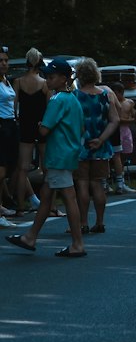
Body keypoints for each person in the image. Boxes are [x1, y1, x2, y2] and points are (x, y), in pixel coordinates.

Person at [6, 58, 87, 257]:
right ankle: (30, 236)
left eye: (50, 77)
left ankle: (77, 243)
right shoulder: (73, 99)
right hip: (68, 152)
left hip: (58, 154)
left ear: (63, 79)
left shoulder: (57, 100)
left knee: (68, 197)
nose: (47, 80)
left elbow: (43, 131)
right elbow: (81, 127)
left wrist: (40, 124)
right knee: (47, 195)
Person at [73, 58, 120, 235]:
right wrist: (101, 139)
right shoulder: (105, 95)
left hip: (81, 147)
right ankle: (100, 222)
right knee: (98, 185)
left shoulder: (76, 96)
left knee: (82, 185)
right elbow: (115, 120)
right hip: (101, 147)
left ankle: (83, 222)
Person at [12, 47, 47, 216]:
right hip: (41, 127)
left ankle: (20, 206)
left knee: (23, 168)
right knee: (47, 168)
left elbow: (14, 106)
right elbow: (50, 108)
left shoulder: (18, 82)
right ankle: (50, 205)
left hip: (25, 126)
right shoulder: (45, 84)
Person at [0, 44, 18, 226]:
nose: (4, 63)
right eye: (0, 61)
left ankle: (3, 204)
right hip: (2, 124)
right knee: (1, 169)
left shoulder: (6, 79)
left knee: (8, 168)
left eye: (6, 60)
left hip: (11, 124)